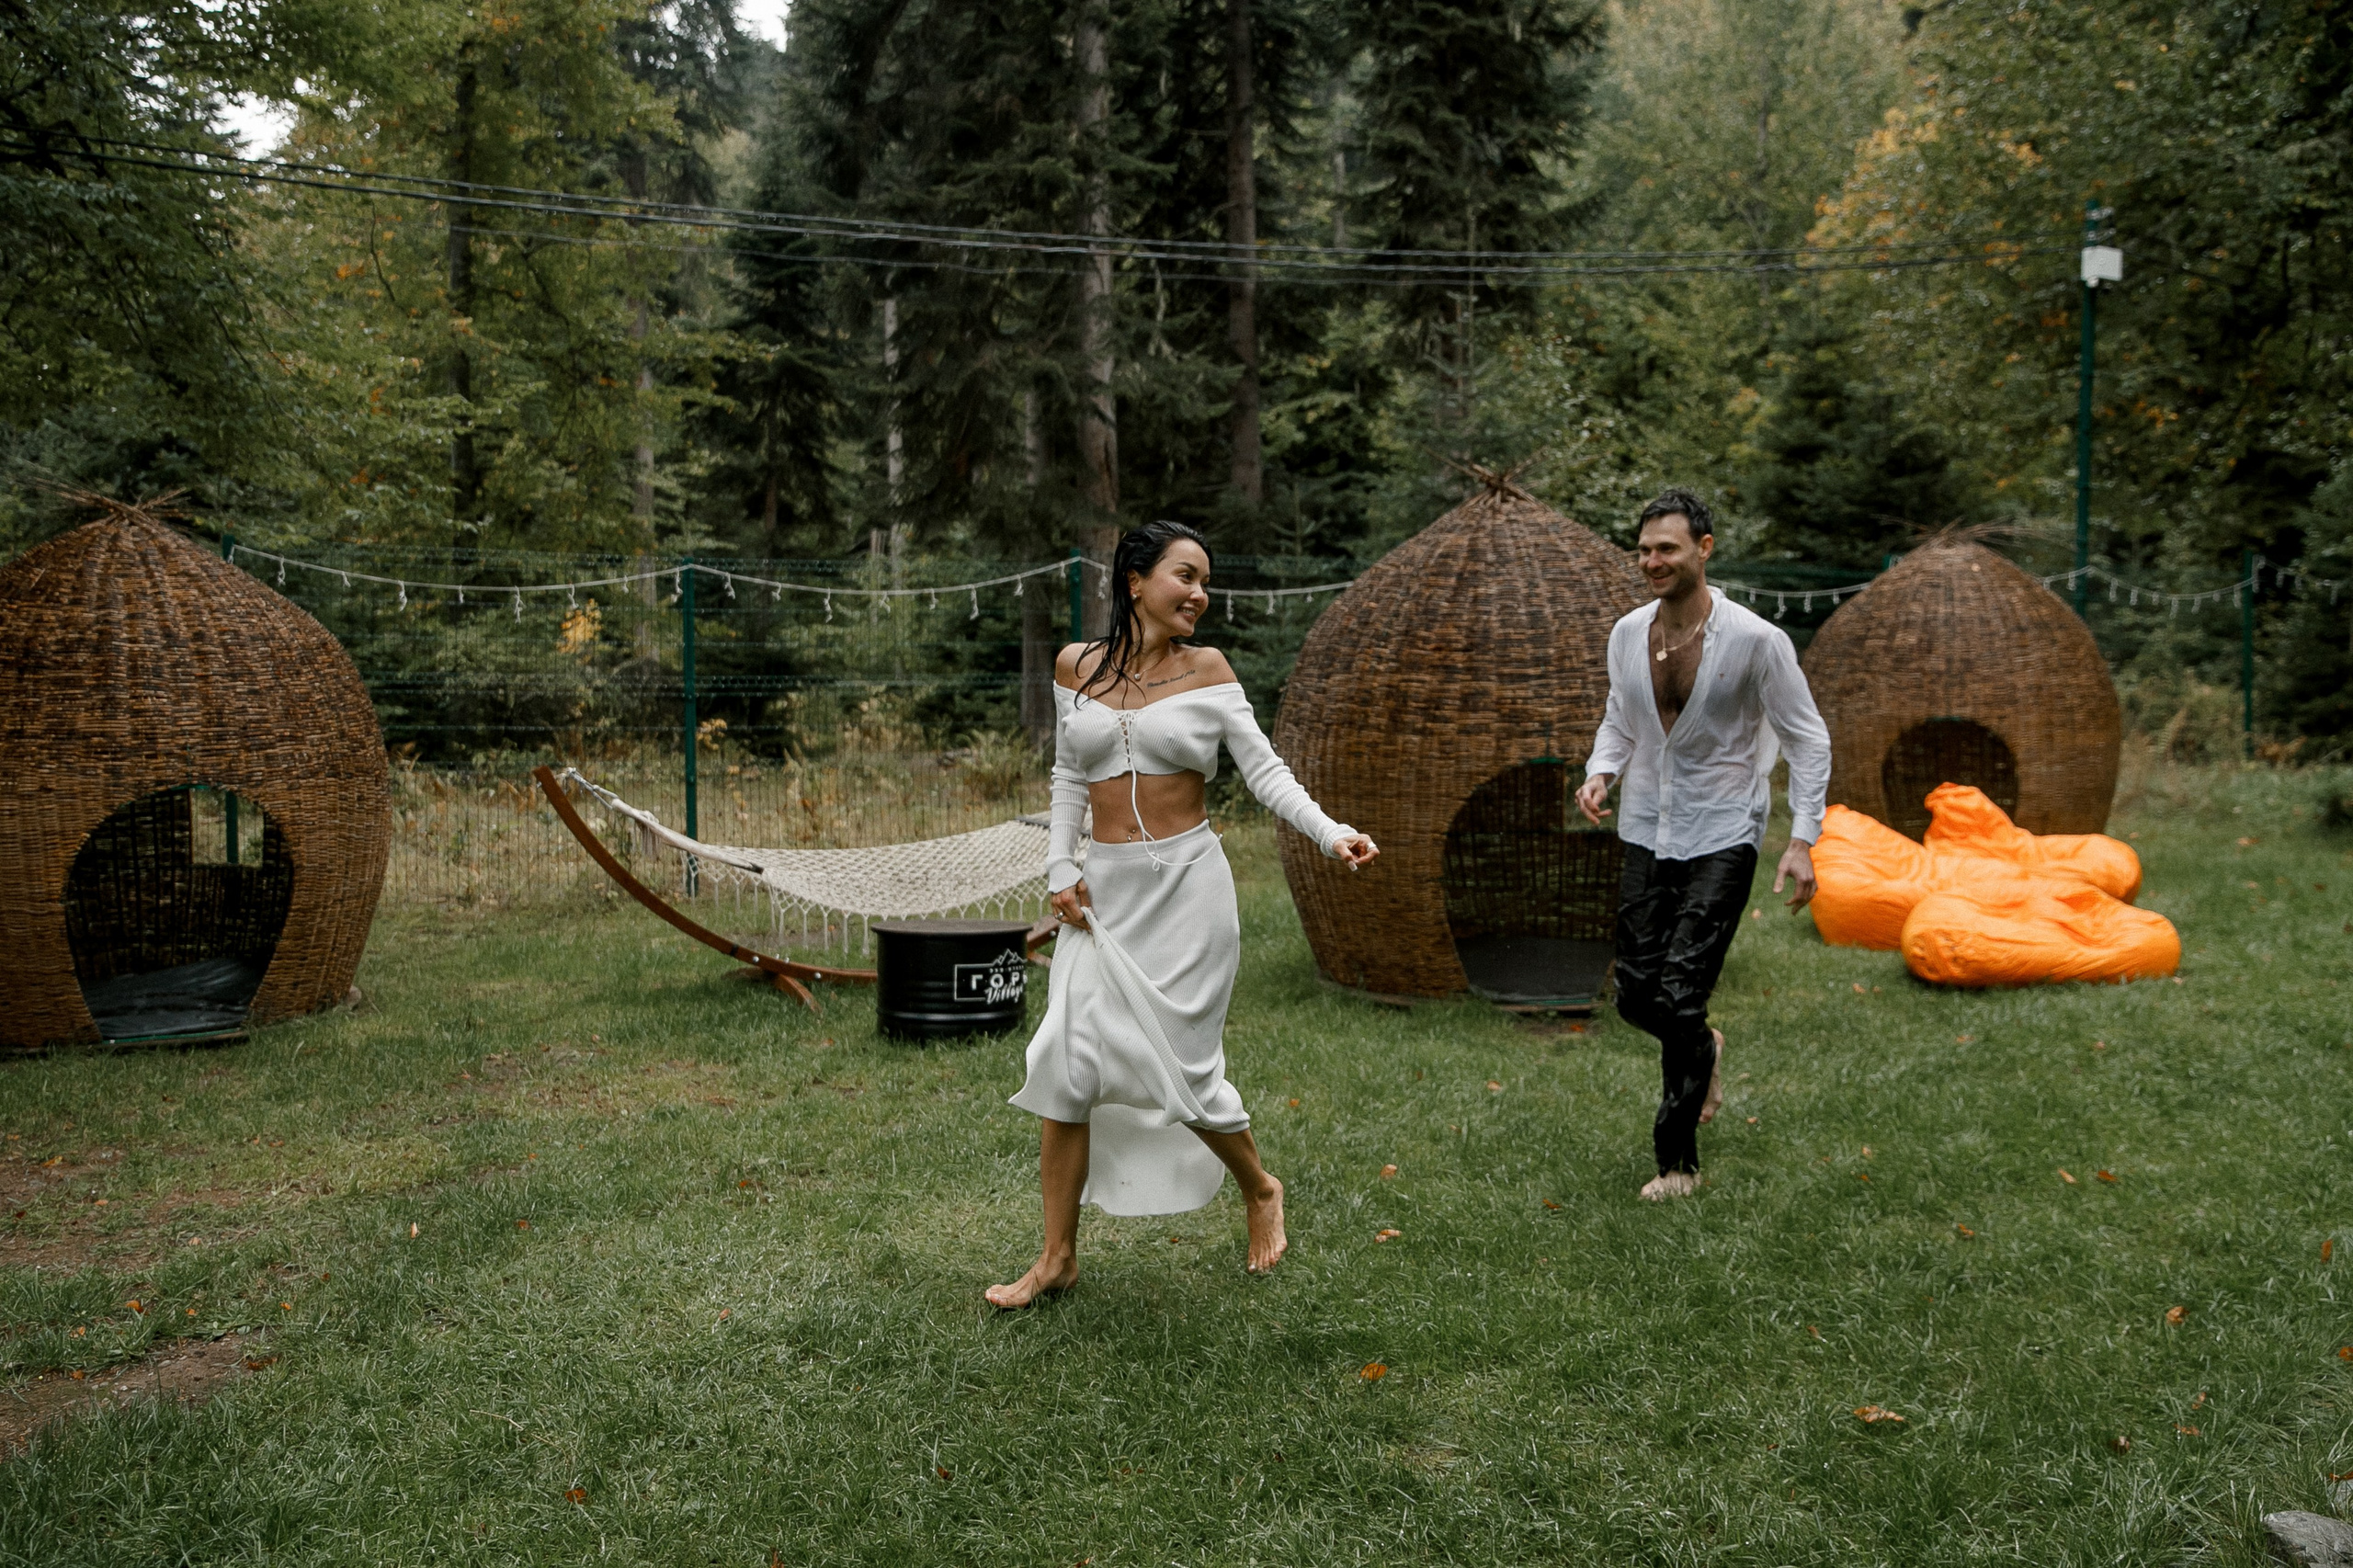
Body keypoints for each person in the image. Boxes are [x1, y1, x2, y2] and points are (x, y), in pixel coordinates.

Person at [986, 521, 1379, 1308]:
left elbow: (1265, 773)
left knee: (1185, 1075)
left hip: (1189, 895)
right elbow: (1069, 773)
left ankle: (1260, 1187)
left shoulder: (1209, 670)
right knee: (1067, 1060)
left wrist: (1331, 831)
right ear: (1135, 580)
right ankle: (1056, 1257)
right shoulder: (1077, 667)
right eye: (1186, 576)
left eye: (1205, 581)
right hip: (1105, 897)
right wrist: (1061, 867)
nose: (1200, 594)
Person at [1575, 488, 1830, 1200]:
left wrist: (1801, 839)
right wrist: (1602, 773)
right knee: (1634, 996)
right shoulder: (1627, 633)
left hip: (1724, 828)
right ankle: (1701, 1048)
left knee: (1682, 994)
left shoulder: (1756, 642)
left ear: (1704, 550)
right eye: (1646, 549)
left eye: (1668, 549)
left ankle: (1677, 1163)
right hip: (1645, 826)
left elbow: (1809, 742)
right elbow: (1618, 721)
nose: (1653, 561)